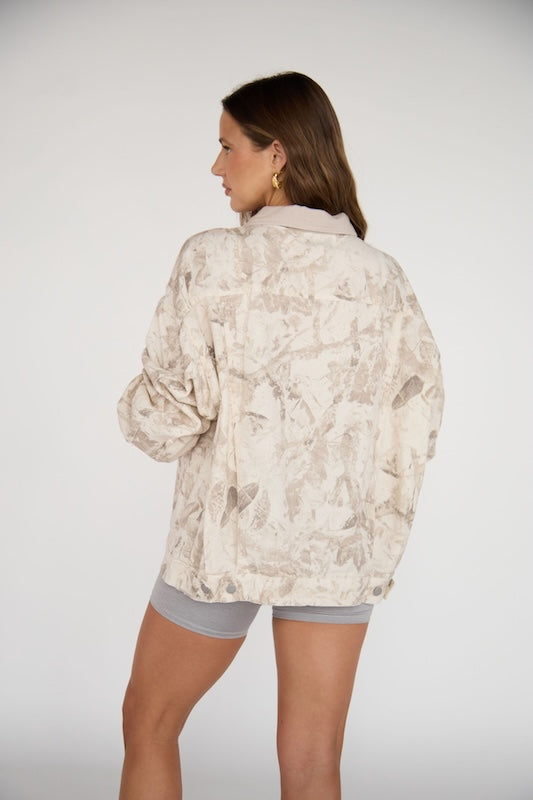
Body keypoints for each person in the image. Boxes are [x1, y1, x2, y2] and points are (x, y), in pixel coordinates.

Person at [117, 71, 444, 800]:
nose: (215, 166)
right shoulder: (382, 277)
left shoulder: (213, 258)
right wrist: (365, 543)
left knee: (149, 723)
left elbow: (170, 417)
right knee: (313, 762)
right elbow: (414, 424)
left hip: (221, 549)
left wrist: (128, 409)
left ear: (277, 154)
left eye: (226, 146)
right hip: (335, 549)